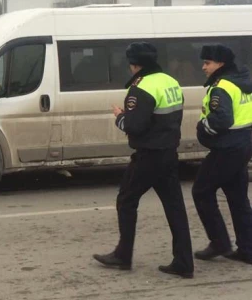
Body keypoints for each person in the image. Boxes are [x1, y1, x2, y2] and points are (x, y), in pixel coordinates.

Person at [93, 42, 194, 278]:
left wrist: (120, 117)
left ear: (134, 64)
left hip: (148, 155)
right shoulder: (170, 81)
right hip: (169, 153)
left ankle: (123, 255)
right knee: (175, 208)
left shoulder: (141, 87)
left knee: (126, 200)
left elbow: (135, 126)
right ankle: (184, 262)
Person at [192, 44, 252, 265]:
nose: (203, 67)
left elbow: (222, 120)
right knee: (238, 198)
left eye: (207, 62)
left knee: (201, 191)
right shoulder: (242, 81)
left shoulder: (221, 87)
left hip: (226, 148)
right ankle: (247, 249)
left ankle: (219, 242)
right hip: (244, 143)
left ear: (220, 64)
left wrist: (203, 126)